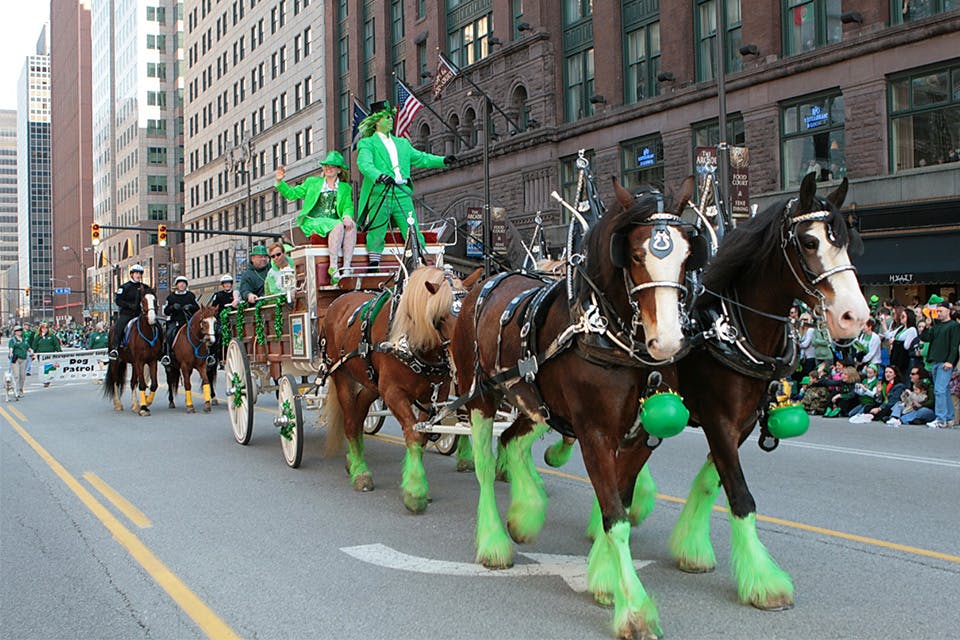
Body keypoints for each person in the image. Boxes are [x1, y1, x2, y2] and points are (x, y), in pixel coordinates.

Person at [356, 100, 455, 269]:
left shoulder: (402, 143)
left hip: (401, 191)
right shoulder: (367, 143)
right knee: (377, 230)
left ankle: (420, 262)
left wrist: (443, 160)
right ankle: (374, 262)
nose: (390, 121)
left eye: (390, 117)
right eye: (386, 118)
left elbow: (421, 158)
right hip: (381, 191)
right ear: (376, 121)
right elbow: (364, 164)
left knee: (412, 228)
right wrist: (379, 176)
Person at [275, 150, 356, 283]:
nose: (328, 168)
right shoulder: (312, 182)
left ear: (339, 170)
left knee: (351, 226)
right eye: (326, 165)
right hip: (313, 221)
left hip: (334, 222)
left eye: (332, 166)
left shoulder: (345, 188)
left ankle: (346, 268)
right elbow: (292, 194)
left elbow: (348, 206)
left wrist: (347, 216)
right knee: (338, 225)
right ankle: (333, 266)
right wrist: (280, 181)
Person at [918, 301, 960, 428]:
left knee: (940, 390)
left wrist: (950, 361)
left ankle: (941, 418)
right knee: (944, 390)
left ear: (948, 311)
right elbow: (926, 338)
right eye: (937, 311)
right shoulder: (936, 326)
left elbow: (954, 345)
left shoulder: (953, 326)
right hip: (935, 361)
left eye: (941, 311)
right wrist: (926, 325)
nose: (939, 313)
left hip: (944, 362)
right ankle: (949, 418)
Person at [109, 264, 155, 361]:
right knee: (119, 327)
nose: (138, 275)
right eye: (136, 273)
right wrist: (129, 305)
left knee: (156, 325)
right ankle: (115, 348)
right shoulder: (125, 287)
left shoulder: (145, 287)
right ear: (131, 275)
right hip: (127, 314)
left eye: (140, 273)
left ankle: (159, 350)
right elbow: (118, 301)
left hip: (141, 314)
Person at [161, 276, 199, 367]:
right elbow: (165, 311)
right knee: (169, 334)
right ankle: (167, 355)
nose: (182, 285)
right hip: (175, 321)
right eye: (180, 283)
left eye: (184, 283)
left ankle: (205, 355)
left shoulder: (190, 295)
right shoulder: (171, 297)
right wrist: (172, 307)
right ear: (176, 285)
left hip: (188, 321)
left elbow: (197, 309)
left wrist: (190, 306)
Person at [885, 306, 918, 376]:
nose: (900, 318)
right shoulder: (901, 328)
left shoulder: (912, 329)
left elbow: (906, 346)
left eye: (903, 316)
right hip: (896, 357)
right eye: (901, 316)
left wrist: (895, 341)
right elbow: (888, 335)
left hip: (905, 359)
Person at [31, 322, 62, 388]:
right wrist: (34, 354)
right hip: (41, 355)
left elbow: (56, 344)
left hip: (50, 354)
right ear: (41, 329)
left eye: (46, 328)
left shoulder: (52, 336)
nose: (44, 330)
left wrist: (60, 352)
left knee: (50, 367)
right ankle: (45, 380)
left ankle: (48, 379)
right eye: (43, 328)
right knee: (43, 368)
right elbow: (34, 345)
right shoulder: (38, 337)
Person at [8, 325, 31, 399]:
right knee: (16, 375)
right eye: (18, 331)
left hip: (23, 359)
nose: (19, 332)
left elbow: (28, 347)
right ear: (15, 332)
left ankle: (21, 389)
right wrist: (10, 352)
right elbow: (11, 348)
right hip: (16, 359)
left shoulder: (24, 340)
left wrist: (31, 351)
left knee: (22, 376)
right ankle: (16, 391)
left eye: (20, 330)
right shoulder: (13, 340)